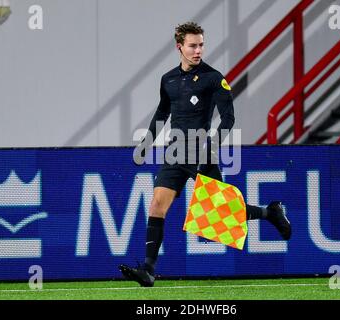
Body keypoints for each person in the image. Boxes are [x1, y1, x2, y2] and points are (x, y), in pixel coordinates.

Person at [119, 22, 291, 287]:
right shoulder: (168, 79)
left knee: (218, 212)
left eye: (201, 45)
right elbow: (163, 113)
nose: (198, 50)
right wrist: (147, 143)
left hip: (201, 152)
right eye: (192, 45)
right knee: (156, 205)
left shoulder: (213, 78)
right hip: (175, 153)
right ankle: (149, 271)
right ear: (180, 47)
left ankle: (271, 212)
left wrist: (212, 147)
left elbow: (229, 119)